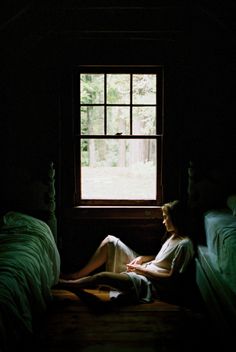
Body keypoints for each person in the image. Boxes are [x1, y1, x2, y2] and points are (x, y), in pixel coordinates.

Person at [57, 200, 194, 308]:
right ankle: (76, 275)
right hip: (147, 267)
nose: (163, 221)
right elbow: (163, 259)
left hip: (148, 283)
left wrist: (142, 271)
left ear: (176, 218)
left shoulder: (184, 245)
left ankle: (69, 284)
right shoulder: (173, 235)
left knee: (102, 277)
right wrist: (143, 259)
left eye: (166, 218)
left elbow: (171, 279)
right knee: (111, 241)